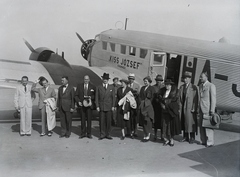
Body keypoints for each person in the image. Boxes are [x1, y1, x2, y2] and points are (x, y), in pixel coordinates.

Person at [159, 79, 181, 146]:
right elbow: (160, 100)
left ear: (171, 85)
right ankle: (166, 139)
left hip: (171, 111)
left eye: (168, 85)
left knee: (170, 126)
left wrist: (178, 109)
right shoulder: (163, 91)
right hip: (164, 111)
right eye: (166, 84)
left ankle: (171, 139)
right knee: (164, 125)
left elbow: (176, 101)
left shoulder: (175, 91)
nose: (167, 86)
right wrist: (162, 105)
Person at [179, 72, 199, 144]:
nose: (185, 79)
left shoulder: (193, 87)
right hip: (183, 107)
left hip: (190, 108)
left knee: (191, 122)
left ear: (190, 79)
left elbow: (196, 99)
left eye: (187, 78)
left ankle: (192, 137)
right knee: (184, 122)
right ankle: (185, 136)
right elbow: (179, 98)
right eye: (184, 78)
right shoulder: (182, 87)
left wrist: (194, 107)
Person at [198, 72, 216, 147]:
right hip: (201, 109)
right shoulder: (200, 86)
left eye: (202, 77)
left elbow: (213, 99)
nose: (200, 78)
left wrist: (212, 110)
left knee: (208, 126)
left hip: (207, 109)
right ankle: (204, 141)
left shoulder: (211, 86)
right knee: (201, 125)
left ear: (206, 77)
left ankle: (210, 142)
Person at [95, 73, 115, 140]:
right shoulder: (99, 87)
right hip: (102, 106)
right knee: (101, 121)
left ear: (108, 80)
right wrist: (97, 106)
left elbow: (113, 98)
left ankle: (108, 134)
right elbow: (96, 97)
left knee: (108, 121)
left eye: (106, 79)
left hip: (109, 106)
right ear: (102, 79)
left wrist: (113, 106)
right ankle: (102, 134)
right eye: (104, 79)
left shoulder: (111, 87)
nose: (105, 80)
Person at [139, 76, 155, 142]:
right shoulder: (142, 88)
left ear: (149, 82)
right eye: (144, 81)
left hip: (148, 106)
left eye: (146, 81)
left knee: (148, 120)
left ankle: (148, 135)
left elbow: (152, 97)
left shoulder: (151, 88)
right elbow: (140, 96)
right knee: (143, 121)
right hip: (143, 106)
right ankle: (145, 134)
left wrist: (148, 103)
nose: (145, 82)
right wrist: (141, 103)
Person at [152, 74, 164, 141]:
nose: (158, 82)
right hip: (155, 106)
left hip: (161, 106)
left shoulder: (163, 87)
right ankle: (155, 135)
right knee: (155, 122)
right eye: (157, 80)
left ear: (161, 81)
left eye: (159, 81)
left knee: (162, 121)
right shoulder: (153, 87)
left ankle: (162, 135)